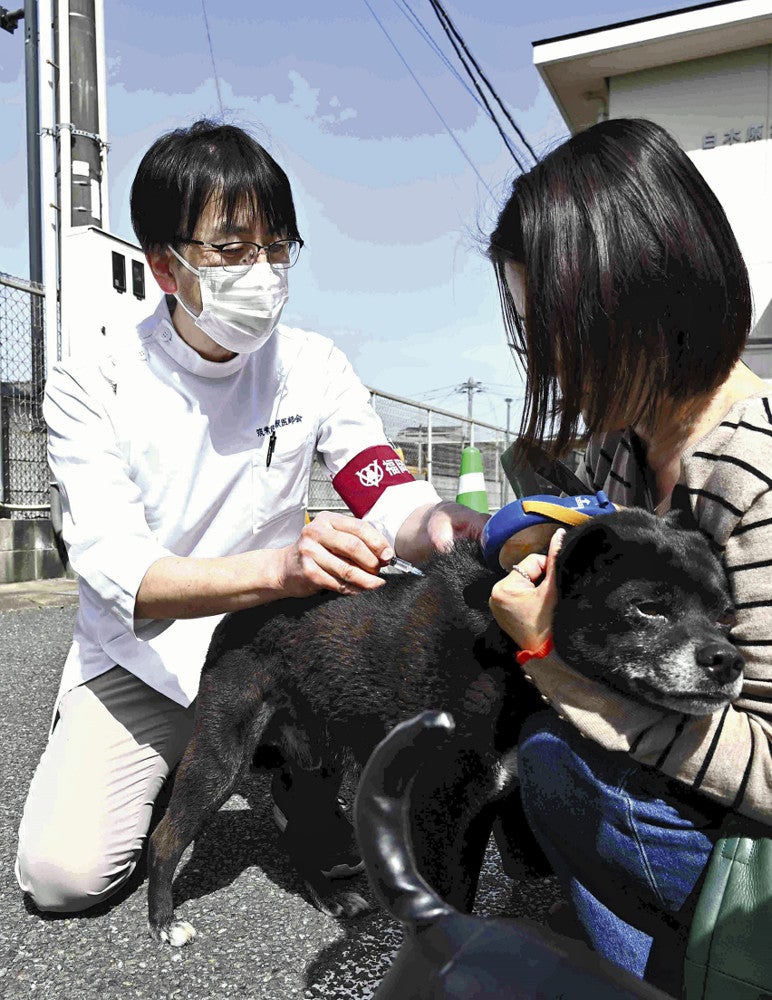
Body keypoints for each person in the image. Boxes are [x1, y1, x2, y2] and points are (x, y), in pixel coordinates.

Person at [15, 119, 488, 914]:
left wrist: (445, 524)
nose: (262, 272)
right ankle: (177, 754)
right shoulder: (89, 382)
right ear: (166, 266)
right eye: (232, 253)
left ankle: (280, 767)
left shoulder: (312, 366)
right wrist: (281, 568)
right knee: (63, 878)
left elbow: (385, 488)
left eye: (277, 249)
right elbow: (119, 571)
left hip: (277, 649)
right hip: (145, 660)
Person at [486, 117, 772, 994]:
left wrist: (551, 664)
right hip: (682, 791)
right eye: (535, 337)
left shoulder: (752, 478)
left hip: (751, 844)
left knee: (551, 761)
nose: (550, 364)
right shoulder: (622, 448)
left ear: (647, 302)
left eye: (559, 334)